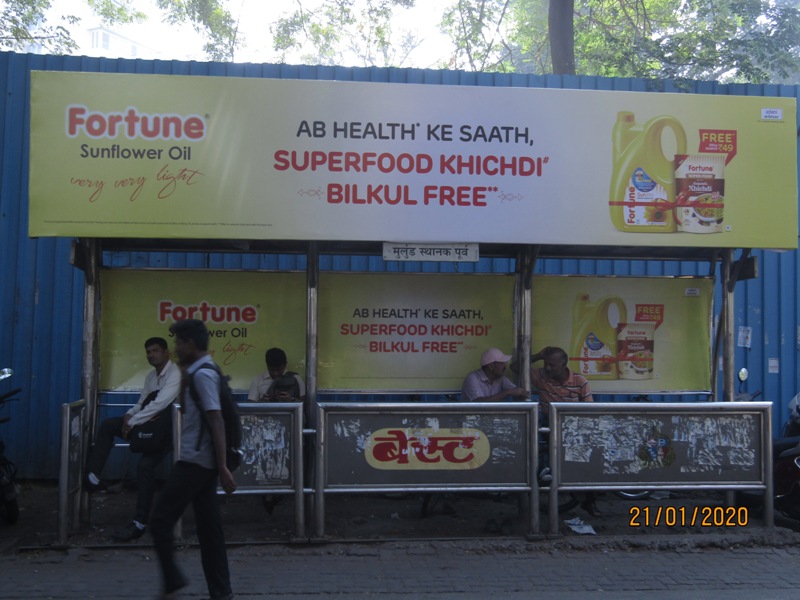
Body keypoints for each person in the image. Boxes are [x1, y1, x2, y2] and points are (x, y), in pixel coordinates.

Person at [150, 319, 235, 600]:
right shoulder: (196, 373)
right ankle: (221, 592)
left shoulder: (205, 375)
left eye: (178, 343)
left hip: (196, 463)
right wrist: (185, 377)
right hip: (202, 462)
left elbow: (216, 420)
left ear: (190, 343)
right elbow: (189, 411)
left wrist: (223, 467)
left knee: (160, 519)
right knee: (210, 531)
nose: (175, 348)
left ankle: (173, 580)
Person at [84, 336, 180, 542]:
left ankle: (139, 523)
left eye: (155, 351)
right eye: (148, 352)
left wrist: (133, 422)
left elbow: (160, 404)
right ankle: (93, 475)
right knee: (109, 425)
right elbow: (142, 403)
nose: (151, 355)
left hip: (169, 432)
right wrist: (129, 415)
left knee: (145, 467)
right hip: (147, 425)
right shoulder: (150, 377)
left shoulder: (176, 374)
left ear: (166, 353)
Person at [529, 346, 599, 516]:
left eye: (552, 365)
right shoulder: (540, 376)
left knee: (587, 463)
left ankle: (589, 501)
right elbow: (516, 368)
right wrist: (538, 355)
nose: (547, 368)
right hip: (548, 424)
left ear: (563, 365)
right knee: (543, 458)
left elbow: (589, 409)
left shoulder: (579, 380)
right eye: (546, 364)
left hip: (573, 425)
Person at [461, 348, 530, 402]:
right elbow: (478, 402)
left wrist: (520, 392)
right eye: (501, 363)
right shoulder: (472, 378)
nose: (505, 366)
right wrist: (506, 393)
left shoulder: (501, 379)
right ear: (491, 366)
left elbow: (516, 391)